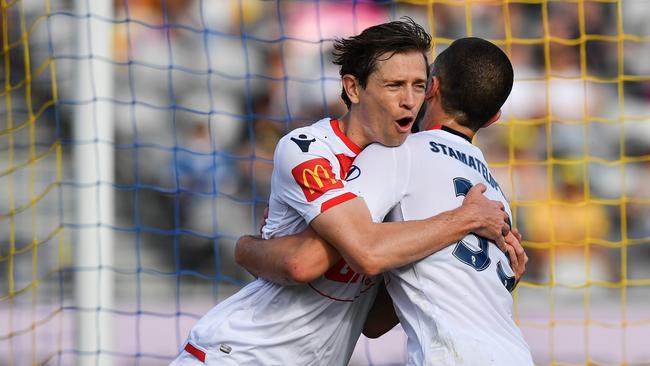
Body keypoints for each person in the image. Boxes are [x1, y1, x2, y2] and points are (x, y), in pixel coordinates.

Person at [171, 19, 512, 365]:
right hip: (242, 353)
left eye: (419, 86)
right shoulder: (308, 147)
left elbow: (374, 323)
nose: (410, 101)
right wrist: (463, 219)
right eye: (394, 85)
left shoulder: (405, 169)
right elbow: (304, 262)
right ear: (353, 88)